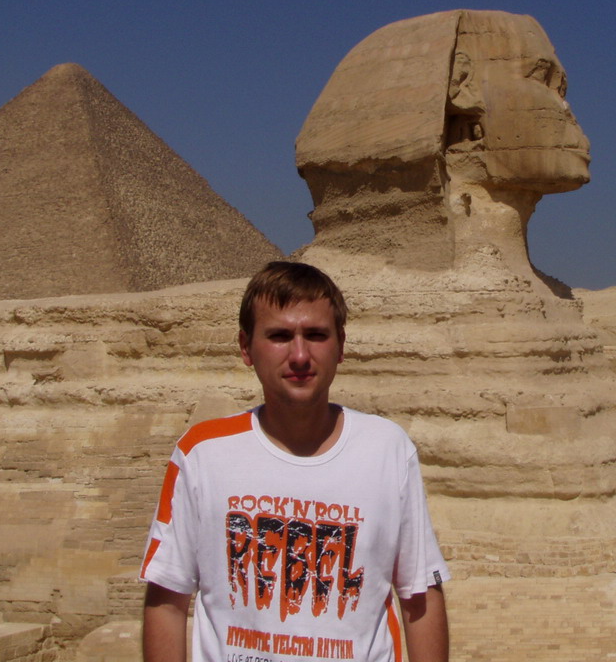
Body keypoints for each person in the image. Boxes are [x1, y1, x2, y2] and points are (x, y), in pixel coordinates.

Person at [140, 261, 450, 662]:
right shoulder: (203, 452)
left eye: (316, 335)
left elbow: (419, 593)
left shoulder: (388, 449)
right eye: (280, 336)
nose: (300, 355)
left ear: (341, 345)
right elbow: (167, 597)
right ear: (246, 347)